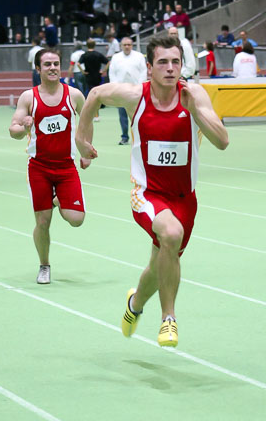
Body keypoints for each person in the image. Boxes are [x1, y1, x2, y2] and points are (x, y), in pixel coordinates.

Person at [75, 36, 229, 348]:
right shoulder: (135, 96)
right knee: (170, 235)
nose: (170, 69)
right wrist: (82, 138)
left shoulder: (194, 95)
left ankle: (134, 305)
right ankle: (168, 319)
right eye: (163, 62)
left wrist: (195, 112)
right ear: (149, 67)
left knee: (160, 265)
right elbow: (93, 95)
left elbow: (223, 141)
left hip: (185, 198)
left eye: (176, 62)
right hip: (147, 194)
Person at [9, 48, 91, 284]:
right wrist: (23, 127)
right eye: (47, 65)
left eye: (56, 63)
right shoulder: (28, 97)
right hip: (39, 168)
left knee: (76, 219)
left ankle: (57, 199)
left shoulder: (74, 95)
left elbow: (86, 122)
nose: (53, 68)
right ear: (38, 69)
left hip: (66, 167)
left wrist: (86, 150)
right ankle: (44, 265)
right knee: (43, 222)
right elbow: (13, 130)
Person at [108, 37, 147, 145]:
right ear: (121, 46)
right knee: (123, 116)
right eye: (124, 45)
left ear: (132, 45)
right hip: (121, 91)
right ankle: (125, 137)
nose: (127, 47)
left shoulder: (139, 56)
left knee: (138, 115)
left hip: (136, 91)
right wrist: (115, 87)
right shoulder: (115, 57)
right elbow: (112, 73)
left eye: (129, 45)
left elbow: (143, 71)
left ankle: (140, 137)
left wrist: (139, 86)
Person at [77, 39, 109, 107]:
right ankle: (100, 104)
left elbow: (78, 64)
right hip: (97, 75)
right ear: (94, 45)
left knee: (90, 90)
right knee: (98, 89)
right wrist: (104, 70)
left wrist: (83, 72)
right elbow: (108, 62)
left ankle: (91, 104)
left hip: (89, 75)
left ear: (87, 45)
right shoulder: (98, 54)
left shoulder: (84, 55)